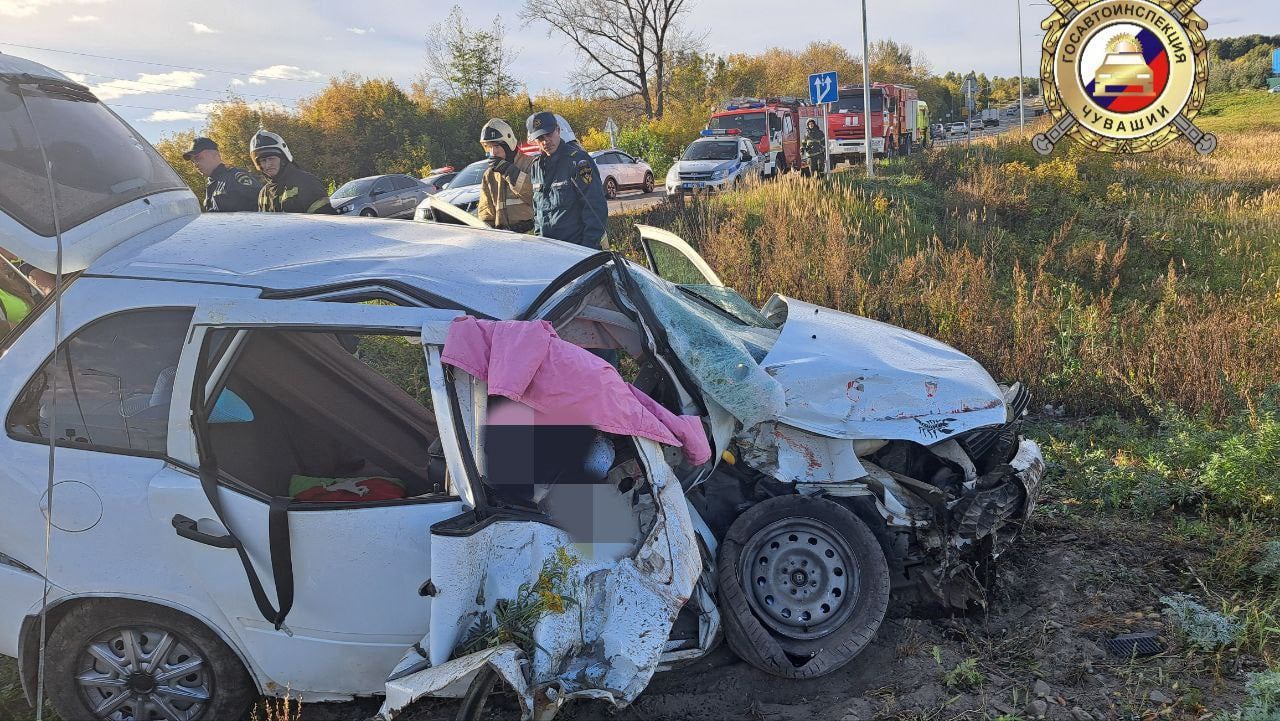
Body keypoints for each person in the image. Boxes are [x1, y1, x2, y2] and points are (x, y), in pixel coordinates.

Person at [527, 111, 608, 250]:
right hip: (549, 251)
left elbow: (595, 207)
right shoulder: (536, 167)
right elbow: (538, 212)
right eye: (540, 138)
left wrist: (587, 248)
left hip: (576, 249)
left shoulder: (578, 161)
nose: (546, 141)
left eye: (549, 134)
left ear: (558, 130)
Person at [250, 130, 335, 214]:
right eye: (263, 161)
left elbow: (325, 223)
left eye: (271, 159)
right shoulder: (264, 193)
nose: (268, 165)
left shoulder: (307, 182)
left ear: (283, 159)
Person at [476, 119, 535, 233]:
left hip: (531, 237)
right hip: (505, 240)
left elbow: (535, 196)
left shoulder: (531, 164)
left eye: (497, 146)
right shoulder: (489, 175)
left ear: (509, 144)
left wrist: (510, 172)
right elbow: (486, 212)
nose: (493, 152)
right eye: (489, 147)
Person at [181, 136, 261, 212]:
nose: (195, 164)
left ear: (215, 155)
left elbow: (261, 204)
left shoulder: (235, 176)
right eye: (192, 161)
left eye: (197, 158)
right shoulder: (211, 185)